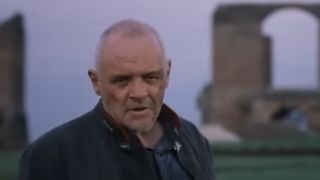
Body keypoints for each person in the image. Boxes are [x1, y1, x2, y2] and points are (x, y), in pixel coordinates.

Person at [19, 19, 215, 180]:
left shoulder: (193, 139)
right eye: (122, 80)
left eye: (150, 77)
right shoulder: (51, 156)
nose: (139, 93)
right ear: (96, 82)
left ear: (167, 73)